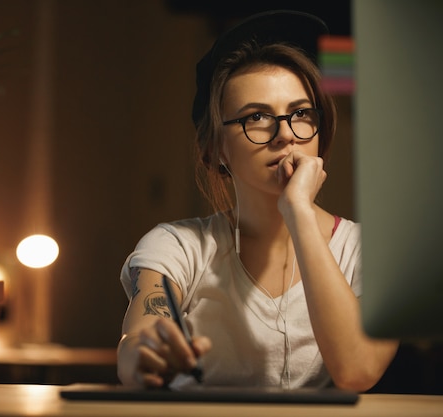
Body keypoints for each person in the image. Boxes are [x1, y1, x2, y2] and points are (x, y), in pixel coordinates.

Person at [116, 10, 398, 391]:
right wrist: (143, 359)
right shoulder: (177, 246)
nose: (285, 135)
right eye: (257, 118)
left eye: (300, 113)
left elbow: (358, 371)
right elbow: (140, 340)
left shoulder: (367, 249)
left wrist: (298, 211)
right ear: (214, 150)